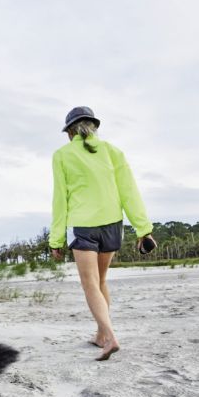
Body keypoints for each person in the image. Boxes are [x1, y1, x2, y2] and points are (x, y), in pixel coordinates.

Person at [50, 106, 155, 361]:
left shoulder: (62, 155)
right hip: (112, 225)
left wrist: (56, 240)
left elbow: (60, 200)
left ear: (70, 132)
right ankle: (100, 335)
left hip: (83, 225)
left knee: (89, 285)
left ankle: (109, 336)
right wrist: (144, 229)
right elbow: (129, 191)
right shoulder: (113, 151)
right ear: (93, 128)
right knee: (101, 282)